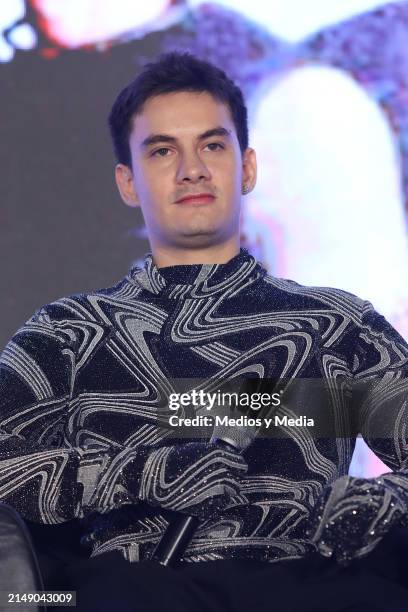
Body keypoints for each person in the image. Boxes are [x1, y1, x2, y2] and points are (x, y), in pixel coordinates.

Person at [1, 51, 408, 612]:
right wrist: (142, 472)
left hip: (313, 587)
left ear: (246, 168)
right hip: (136, 590)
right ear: (127, 182)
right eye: (163, 150)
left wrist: (387, 499)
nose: (192, 169)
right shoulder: (69, 333)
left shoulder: (337, 326)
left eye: (212, 146)